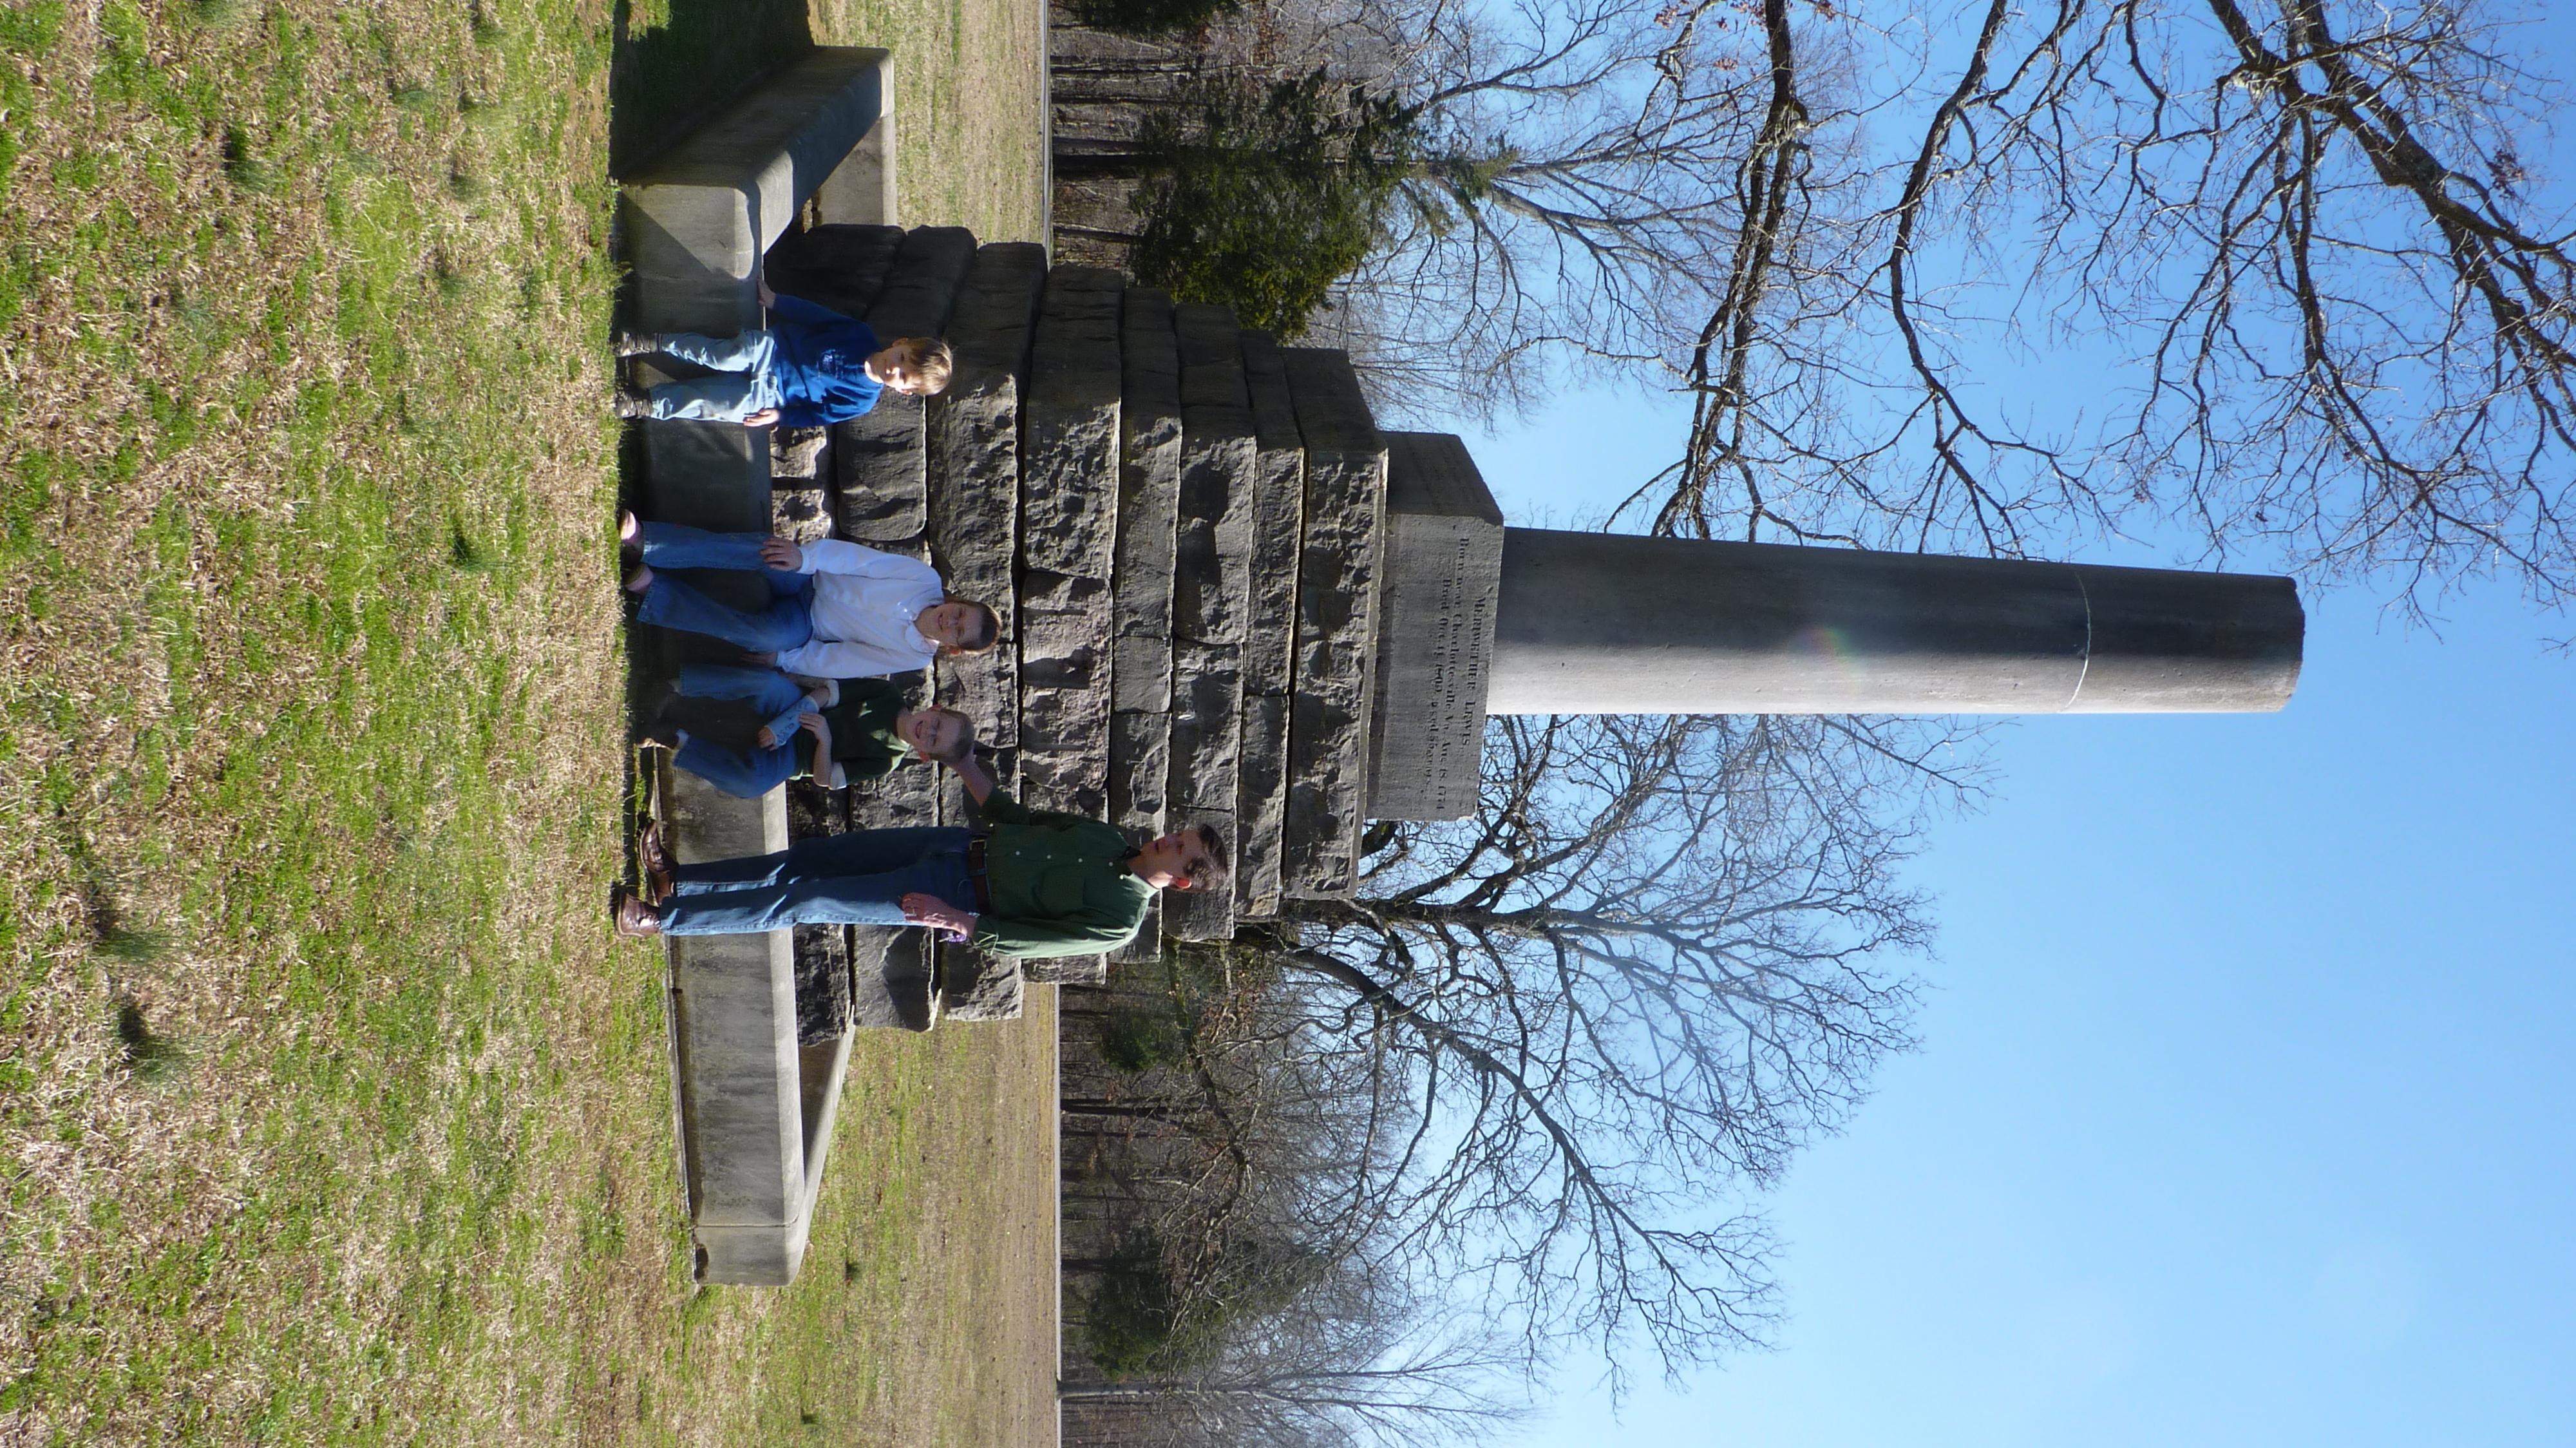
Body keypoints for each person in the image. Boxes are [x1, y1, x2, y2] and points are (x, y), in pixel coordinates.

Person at [616, 750, 1227, 961]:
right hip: (952, 844)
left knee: (810, 901)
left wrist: (952, 919)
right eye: (1178, 835)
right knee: (808, 861)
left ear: (1179, 882)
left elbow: (1028, 941)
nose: (1167, 841)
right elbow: (1015, 817)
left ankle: (663, 921)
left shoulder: (1120, 922)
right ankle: (680, 882)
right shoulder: (1106, 837)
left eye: (1179, 851)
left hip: (950, 895)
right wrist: (963, 762)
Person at [619, 512, 999, 679]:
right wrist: (805, 557)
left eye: (957, 631)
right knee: (767, 552)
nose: (951, 621)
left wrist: (786, 659)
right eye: (960, 613)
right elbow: (860, 561)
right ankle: (651, 543)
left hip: (807, 624)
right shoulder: (924, 579)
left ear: (953, 648)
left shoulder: (914, 656)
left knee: (764, 637)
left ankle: (657, 592)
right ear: (959, 601)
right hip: (810, 579)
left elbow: (845, 661)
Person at [611, 280, 955, 426]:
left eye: (904, 377)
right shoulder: (859, 334)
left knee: (717, 404)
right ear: (900, 343)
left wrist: (780, 416)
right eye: (902, 359)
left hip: (772, 395)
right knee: (720, 355)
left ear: (904, 391)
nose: (895, 369)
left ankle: (643, 404)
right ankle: (647, 342)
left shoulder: (861, 401)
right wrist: (777, 301)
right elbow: (816, 316)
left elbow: (817, 416)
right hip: (771, 351)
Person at [643, 668, 974, 798]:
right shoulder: (886, 694)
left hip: (794, 758)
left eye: (932, 740)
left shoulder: (885, 761)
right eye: (937, 724)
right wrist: (785, 724)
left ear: (923, 754)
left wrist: (824, 741)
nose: (928, 731)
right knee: (766, 684)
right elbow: (827, 693)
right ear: (934, 709)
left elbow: (824, 778)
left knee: (751, 784)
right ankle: (675, 685)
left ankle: (678, 740)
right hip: (799, 708)